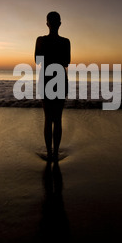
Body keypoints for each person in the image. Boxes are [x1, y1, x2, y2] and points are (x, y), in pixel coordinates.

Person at [35, 11, 71, 162]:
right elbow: (66, 62)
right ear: (60, 24)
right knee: (58, 119)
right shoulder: (65, 42)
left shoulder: (41, 40)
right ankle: (55, 153)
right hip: (60, 78)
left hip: (46, 78)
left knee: (48, 119)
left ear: (47, 24)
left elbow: (38, 60)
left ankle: (50, 154)